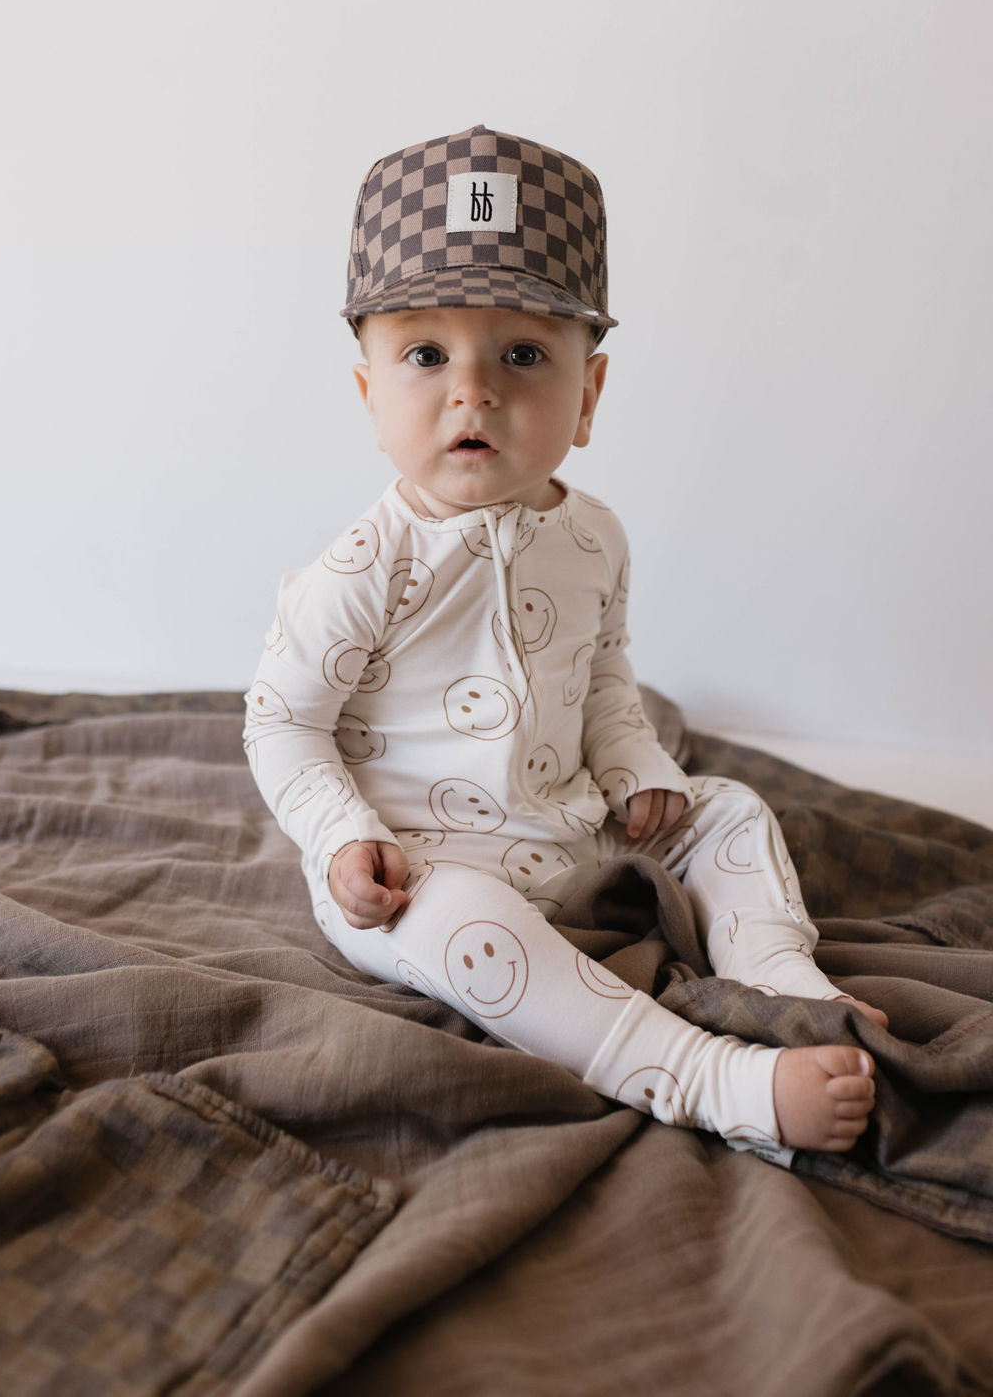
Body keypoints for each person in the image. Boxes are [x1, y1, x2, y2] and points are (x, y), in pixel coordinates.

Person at [244, 124, 884, 1160]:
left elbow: (603, 674)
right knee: (471, 936)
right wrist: (338, 837)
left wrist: (633, 761)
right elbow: (283, 725)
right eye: (424, 353)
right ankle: (707, 1074)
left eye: (524, 353)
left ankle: (783, 982)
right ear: (368, 395)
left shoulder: (594, 536)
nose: (473, 388)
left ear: (587, 395)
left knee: (727, 808)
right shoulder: (365, 566)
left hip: (571, 830)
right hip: (418, 864)